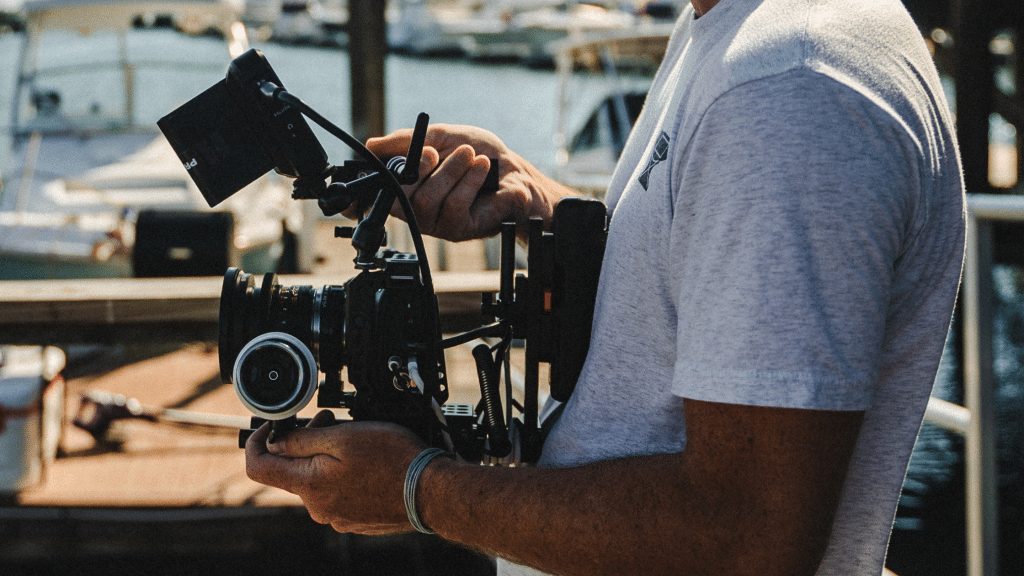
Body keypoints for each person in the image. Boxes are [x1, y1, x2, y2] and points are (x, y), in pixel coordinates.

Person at [245, 0, 967, 574]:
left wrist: (417, 490)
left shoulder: (785, 86)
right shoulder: (735, 31)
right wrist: (538, 206)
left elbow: (747, 536)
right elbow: (691, 272)